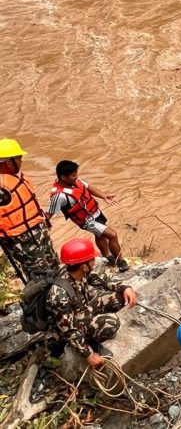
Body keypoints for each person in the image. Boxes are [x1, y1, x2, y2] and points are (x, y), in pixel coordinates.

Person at [46, 239, 137, 369]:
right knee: (112, 323)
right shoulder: (59, 296)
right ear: (84, 265)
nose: (94, 261)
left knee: (120, 298)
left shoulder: (79, 271)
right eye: (92, 259)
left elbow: (104, 282)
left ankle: (92, 330)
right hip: (68, 326)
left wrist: (124, 287)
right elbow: (68, 331)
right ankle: (90, 341)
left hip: (82, 310)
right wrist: (88, 354)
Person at [46, 160, 128, 272]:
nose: (76, 177)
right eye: (73, 175)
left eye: (76, 174)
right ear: (63, 177)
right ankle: (120, 261)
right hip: (87, 221)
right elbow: (49, 213)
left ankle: (107, 256)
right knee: (112, 235)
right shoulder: (59, 196)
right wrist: (43, 227)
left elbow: (89, 188)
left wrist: (104, 196)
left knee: (100, 235)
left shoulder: (76, 182)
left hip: (95, 212)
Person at [0, 139, 60, 283]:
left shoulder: (14, 177)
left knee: (54, 266)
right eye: (19, 158)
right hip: (21, 240)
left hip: (37, 231)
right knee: (40, 276)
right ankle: (43, 302)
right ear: (9, 162)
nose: (21, 161)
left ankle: (60, 294)